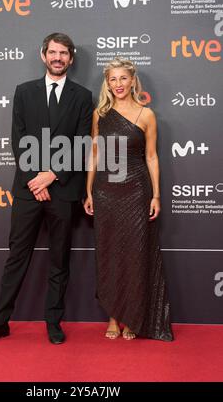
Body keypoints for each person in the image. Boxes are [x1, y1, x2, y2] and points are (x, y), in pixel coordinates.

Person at [0, 33, 92, 346]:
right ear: (43, 56)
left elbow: (82, 142)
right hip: (29, 190)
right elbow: (19, 138)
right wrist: (34, 179)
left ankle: (53, 322)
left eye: (63, 53)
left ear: (71, 57)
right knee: (17, 257)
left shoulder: (82, 96)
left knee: (59, 259)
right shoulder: (24, 92)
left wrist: (51, 175)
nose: (57, 58)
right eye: (52, 52)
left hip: (63, 189)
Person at [84, 58, 173, 341]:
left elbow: (151, 156)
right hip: (106, 192)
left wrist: (156, 194)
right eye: (113, 79)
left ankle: (133, 316)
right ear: (107, 83)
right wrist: (88, 191)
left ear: (133, 81)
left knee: (135, 255)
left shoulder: (147, 115)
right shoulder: (100, 113)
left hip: (136, 192)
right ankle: (113, 317)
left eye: (123, 78)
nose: (118, 84)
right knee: (109, 254)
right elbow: (95, 154)